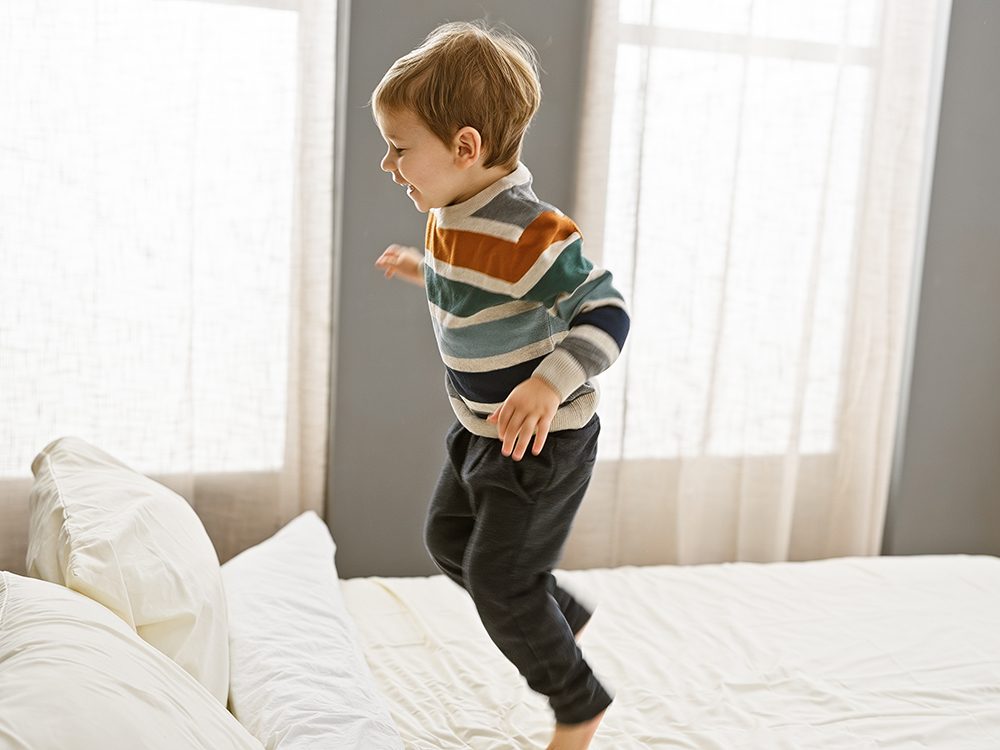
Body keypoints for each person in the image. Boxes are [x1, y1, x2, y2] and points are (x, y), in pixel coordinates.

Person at [371, 20, 630, 750]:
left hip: (542, 441)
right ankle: (558, 618)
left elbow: (608, 311)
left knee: (499, 579)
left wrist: (550, 383)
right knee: (447, 539)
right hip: (482, 428)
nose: (388, 164)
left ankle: (577, 703)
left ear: (465, 146)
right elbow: (479, 282)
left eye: (399, 148)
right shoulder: (451, 211)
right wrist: (424, 270)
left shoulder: (531, 230)